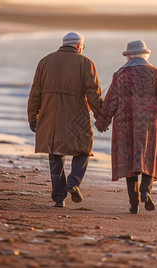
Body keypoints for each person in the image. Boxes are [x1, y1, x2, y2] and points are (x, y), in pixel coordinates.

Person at [95, 40, 157, 214]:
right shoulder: (154, 73)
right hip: (150, 121)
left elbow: (110, 100)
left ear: (128, 55)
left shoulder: (119, 74)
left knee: (129, 160)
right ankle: (145, 191)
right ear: (145, 54)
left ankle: (134, 204)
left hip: (125, 121)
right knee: (149, 156)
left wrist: (102, 123)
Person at [27, 32, 103, 208]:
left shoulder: (45, 61)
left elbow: (35, 93)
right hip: (76, 116)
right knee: (83, 149)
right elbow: (93, 94)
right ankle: (74, 182)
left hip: (49, 115)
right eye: (82, 47)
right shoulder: (85, 63)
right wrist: (101, 116)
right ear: (78, 46)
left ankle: (59, 198)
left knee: (55, 154)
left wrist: (32, 116)